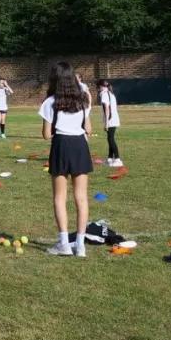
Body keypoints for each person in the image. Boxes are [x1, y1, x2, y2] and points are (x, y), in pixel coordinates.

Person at [40, 62, 93, 258]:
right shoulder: (83, 100)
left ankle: (64, 243)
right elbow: (88, 129)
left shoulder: (50, 102)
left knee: (60, 197)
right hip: (80, 145)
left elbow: (46, 134)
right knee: (81, 197)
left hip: (61, 145)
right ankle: (80, 245)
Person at [97, 80, 123, 167]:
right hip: (113, 119)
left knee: (111, 139)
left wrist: (106, 123)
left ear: (101, 86)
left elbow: (107, 109)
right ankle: (110, 159)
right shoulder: (110, 93)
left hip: (110, 120)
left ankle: (118, 159)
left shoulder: (104, 95)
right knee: (109, 138)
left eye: (99, 87)